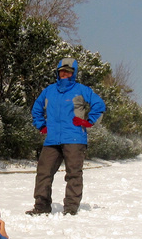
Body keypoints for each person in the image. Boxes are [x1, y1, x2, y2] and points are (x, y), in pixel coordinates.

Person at [27, 57, 106, 216]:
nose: (64, 74)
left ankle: (70, 209)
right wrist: (41, 125)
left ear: (74, 73)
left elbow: (99, 105)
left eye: (68, 72)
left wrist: (88, 121)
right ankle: (41, 207)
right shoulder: (49, 90)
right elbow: (36, 109)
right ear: (58, 73)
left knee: (73, 174)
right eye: (62, 71)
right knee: (43, 172)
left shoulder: (82, 90)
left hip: (75, 138)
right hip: (52, 140)